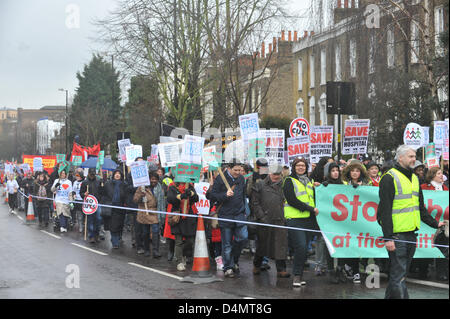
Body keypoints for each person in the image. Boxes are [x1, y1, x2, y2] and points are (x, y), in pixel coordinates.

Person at [377, 145, 444, 299]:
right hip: (397, 236)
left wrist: (435, 224)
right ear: (400, 158)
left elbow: (420, 208)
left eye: (415, 156)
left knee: (399, 275)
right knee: (399, 275)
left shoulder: (415, 179)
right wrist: (388, 237)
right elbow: (384, 212)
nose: (414, 159)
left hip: (411, 234)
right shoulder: (389, 178)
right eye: (411, 156)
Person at [282, 157, 318, 287]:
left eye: (303, 165)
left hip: (308, 220)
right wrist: (310, 209)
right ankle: (296, 276)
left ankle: (300, 275)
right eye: (298, 165)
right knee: (301, 246)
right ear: (294, 167)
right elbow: (292, 200)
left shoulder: (310, 181)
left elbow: (315, 196)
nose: (301, 167)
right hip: (295, 219)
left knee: (303, 250)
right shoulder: (288, 181)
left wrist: (320, 187)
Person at [209, 162, 248, 278]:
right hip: (225, 215)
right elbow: (213, 196)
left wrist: (245, 210)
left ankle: (234, 260)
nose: (238, 172)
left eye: (239, 170)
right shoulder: (220, 179)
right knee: (226, 244)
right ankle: (228, 267)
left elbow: (243, 195)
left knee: (242, 238)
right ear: (229, 169)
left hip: (239, 214)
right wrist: (225, 195)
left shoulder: (241, 179)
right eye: (235, 170)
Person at [250, 164, 290, 278]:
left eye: (278, 174)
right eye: (274, 174)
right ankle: (257, 265)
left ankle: (281, 269)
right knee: (262, 245)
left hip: (280, 219)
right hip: (265, 220)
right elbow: (255, 203)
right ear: (269, 173)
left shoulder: (285, 185)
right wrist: (261, 217)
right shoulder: (260, 185)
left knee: (280, 246)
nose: (276, 177)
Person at [341, 160, 371, 283]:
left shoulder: (367, 186)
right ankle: (356, 271)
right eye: (352, 170)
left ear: (361, 172)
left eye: (357, 170)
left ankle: (351, 267)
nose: (354, 173)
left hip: (362, 220)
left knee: (359, 246)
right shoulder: (343, 185)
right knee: (351, 245)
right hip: (348, 220)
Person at [420, 166, 449, 282]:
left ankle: (442, 272)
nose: (441, 175)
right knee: (425, 246)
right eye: (438, 174)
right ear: (432, 175)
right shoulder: (424, 188)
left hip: (442, 224)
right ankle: (422, 269)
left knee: (443, 248)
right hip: (427, 223)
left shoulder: (445, 188)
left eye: (441, 173)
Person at [321, 161, 347, 284]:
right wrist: (323, 188)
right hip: (329, 220)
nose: (335, 173)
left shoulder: (343, 184)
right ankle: (331, 270)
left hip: (342, 221)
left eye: (337, 170)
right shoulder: (325, 185)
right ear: (329, 173)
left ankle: (340, 269)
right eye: (333, 171)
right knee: (329, 245)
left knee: (342, 244)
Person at [167, 181, 199, 271]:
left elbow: (196, 199)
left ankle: (183, 254)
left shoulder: (190, 185)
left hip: (189, 216)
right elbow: (170, 199)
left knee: (190, 241)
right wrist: (180, 196)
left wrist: (191, 194)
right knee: (178, 241)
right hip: (178, 216)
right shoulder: (172, 186)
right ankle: (179, 261)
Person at [101, 170, 127, 249]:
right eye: (116, 173)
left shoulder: (124, 184)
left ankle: (118, 237)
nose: (117, 175)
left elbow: (127, 195)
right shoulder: (108, 184)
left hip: (121, 207)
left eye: (119, 173)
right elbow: (103, 194)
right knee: (113, 225)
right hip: (111, 207)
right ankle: (115, 241)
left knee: (120, 224)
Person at [80, 168, 103, 242]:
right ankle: (91, 235)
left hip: (97, 202)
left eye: (93, 174)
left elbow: (102, 192)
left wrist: (103, 185)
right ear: (88, 174)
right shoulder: (85, 182)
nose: (92, 176)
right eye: (91, 174)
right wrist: (84, 194)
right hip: (89, 204)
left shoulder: (99, 181)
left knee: (98, 218)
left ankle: (97, 233)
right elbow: (81, 193)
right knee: (90, 219)